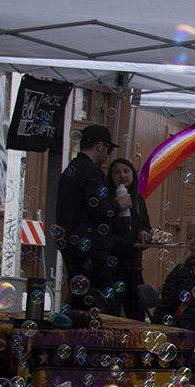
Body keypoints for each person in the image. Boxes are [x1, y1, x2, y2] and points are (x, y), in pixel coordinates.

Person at [55, 124, 118, 316]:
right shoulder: (91, 172)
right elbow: (100, 210)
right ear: (100, 146)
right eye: (108, 149)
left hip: (72, 247)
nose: (107, 156)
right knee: (104, 305)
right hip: (91, 251)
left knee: (79, 302)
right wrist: (118, 204)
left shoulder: (70, 170)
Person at [102, 157, 152, 319]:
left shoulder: (138, 200)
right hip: (114, 266)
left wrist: (144, 233)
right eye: (116, 173)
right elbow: (107, 235)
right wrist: (130, 245)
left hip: (134, 266)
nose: (122, 175)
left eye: (126, 171)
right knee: (112, 312)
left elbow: (146, 226)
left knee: (136, 312)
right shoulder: (108, 202)